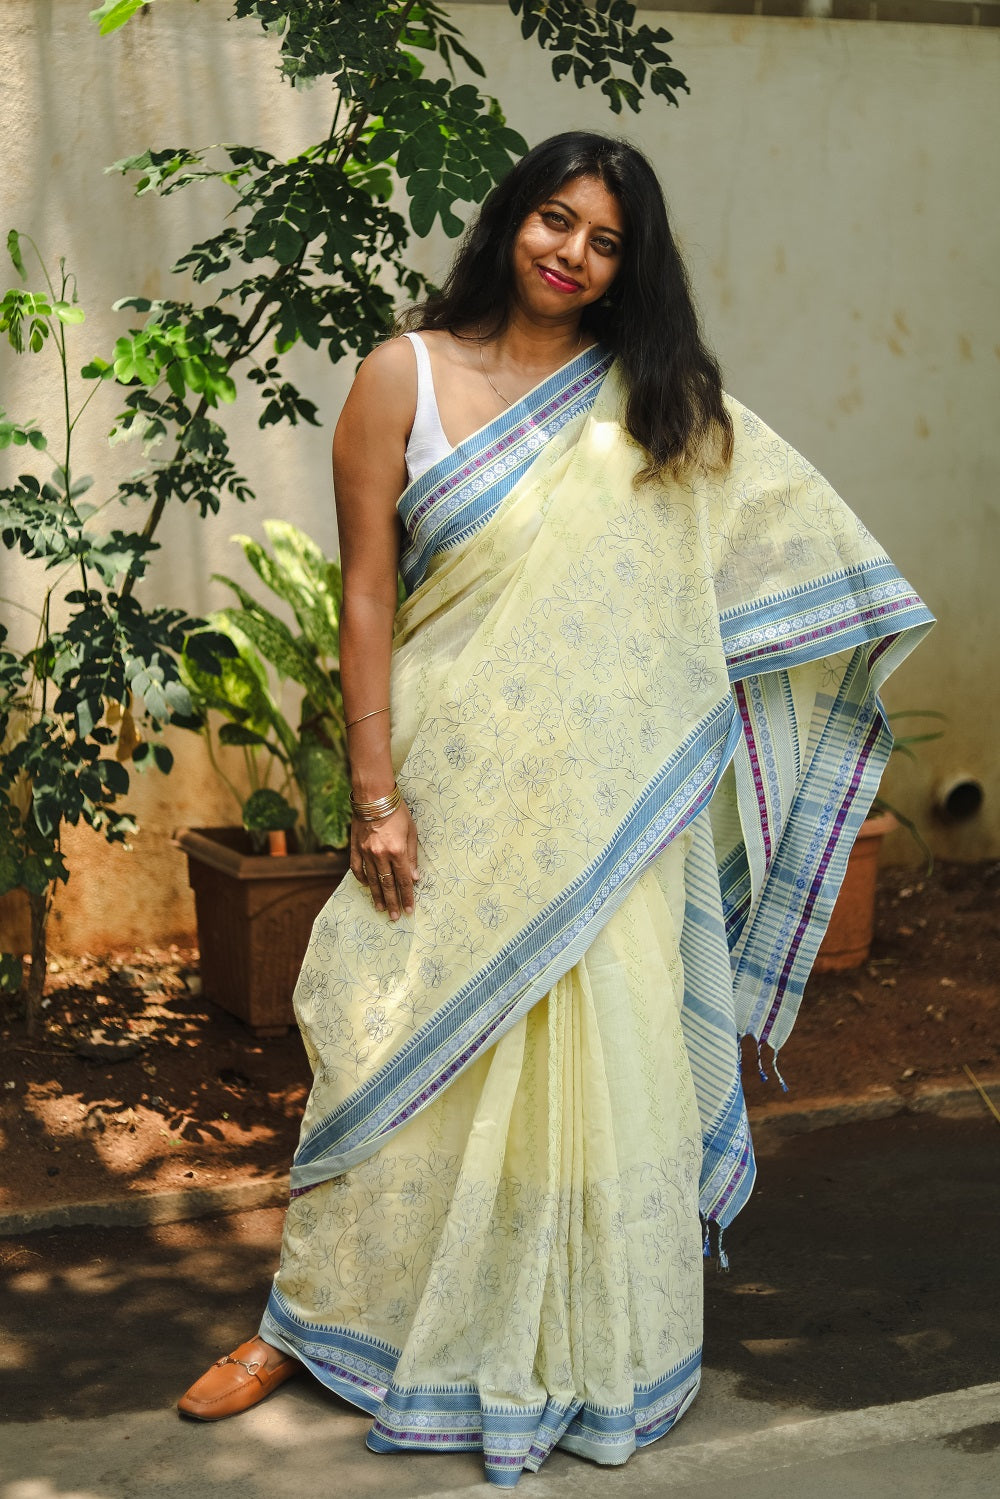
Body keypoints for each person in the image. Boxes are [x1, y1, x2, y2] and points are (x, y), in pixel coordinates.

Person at [177, 132, 932, 1483]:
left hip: (606, 808)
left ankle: (587, 1339)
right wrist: (374, 796)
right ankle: (315, 1322)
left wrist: (845, 625)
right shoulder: (398, 375)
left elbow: (756, 558)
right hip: (443, 782)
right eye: (553, 220)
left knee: (604, 1073)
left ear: (626, 269)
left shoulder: (653, 404)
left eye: (604, 241)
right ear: (508, 222)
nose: (571, 254)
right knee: (382, 1041)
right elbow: (366, 595)